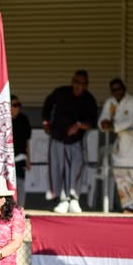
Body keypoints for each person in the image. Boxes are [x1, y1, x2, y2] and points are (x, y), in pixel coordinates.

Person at [41, 70, 98, 214]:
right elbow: (47, 106)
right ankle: (61, 200)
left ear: (86, 85)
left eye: (83, 83)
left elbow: (92, 122)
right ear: (72, 81)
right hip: (57, 137)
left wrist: (78, 125)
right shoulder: (61, 92)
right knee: (58, 169)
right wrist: (46, 123)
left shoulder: (89, 99)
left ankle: (74, 199)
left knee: (76, 169)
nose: (79, 86)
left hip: (76, 141)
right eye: (77, 82)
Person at [98, 78, 133, 213]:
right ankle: (129, 205)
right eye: (113, 90)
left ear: (124, 89)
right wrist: (103, 123)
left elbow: (128, 121)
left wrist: (111, 126)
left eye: (119, 89)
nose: (116, 92)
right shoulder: (110, 102)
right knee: (121, 173)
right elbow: (103, 119)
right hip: (121, 144)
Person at [10, 95, 31, 207]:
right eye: (14, 105)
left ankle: (20, 208)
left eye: (18, 105)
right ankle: (9, 209)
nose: (17, 108)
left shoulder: (23, 119)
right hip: (6, 159)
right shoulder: (4, 120)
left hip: (20, 157)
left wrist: (28, 159)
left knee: (20, 183)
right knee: (7, 185)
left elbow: (27, 141)